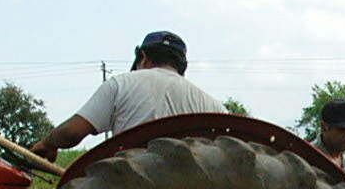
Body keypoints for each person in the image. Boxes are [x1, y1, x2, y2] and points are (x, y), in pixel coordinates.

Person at [32, 31, 222, 159]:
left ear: (143, 58)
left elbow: (71, 133)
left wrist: (48, 144)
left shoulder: (121, 84)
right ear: (183, 69)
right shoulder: (215, 108)